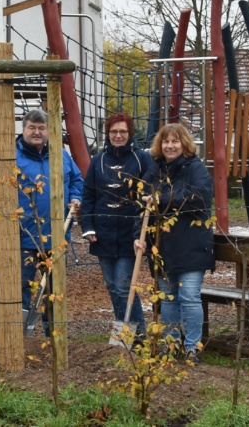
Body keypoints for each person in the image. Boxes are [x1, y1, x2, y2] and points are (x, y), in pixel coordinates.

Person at [133, 123, 214, 362]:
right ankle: (171, 344)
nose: (170, 146)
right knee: (167, 298)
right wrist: (139, 237)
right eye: (166, 141)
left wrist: (162, 198)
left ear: (184, 144)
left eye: (175, 141)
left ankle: (192, 347)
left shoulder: (195, 168)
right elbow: (142, 207)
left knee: (189, 297)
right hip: (163, 247)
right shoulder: (154, 171)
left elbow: (200, 198)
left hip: (192, 245)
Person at [80, 113, 156, 341]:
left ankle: (138, 335)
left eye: (122, 131)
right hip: (102, 233)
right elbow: (89, 195)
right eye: (114, 132)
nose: (118, 135)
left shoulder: (142, 159)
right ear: (108, 134)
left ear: (129, 133)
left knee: (124, 287)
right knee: (113, 287)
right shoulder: (98, 160)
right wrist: (88, 226)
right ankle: (124, 334)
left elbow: (150, 192)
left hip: (129, 233)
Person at [15, 108, 84, 333]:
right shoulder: (13, 155)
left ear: (48, 131)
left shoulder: (60, 154)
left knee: (54, 287)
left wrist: (75, 196)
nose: (37, 132)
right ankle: (21, 331)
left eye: (41, 128)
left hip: (56, 234)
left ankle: (51, 331)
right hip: (23, 236)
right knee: (21, 285)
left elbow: (76, 179)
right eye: (32, 128)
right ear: (23, 129)